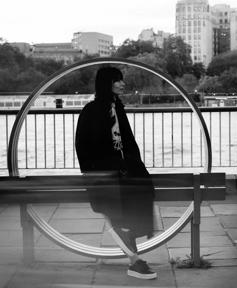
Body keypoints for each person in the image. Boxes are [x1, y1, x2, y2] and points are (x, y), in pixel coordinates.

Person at [75, 66, 156, 280]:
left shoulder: (116, 107)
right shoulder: (92, 111)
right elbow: (84, 146)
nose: (122, 84)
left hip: (121, 173)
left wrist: (133, 163)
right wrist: (95, 173)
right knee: (121, 213)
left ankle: (135, 259)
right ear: (106, 84)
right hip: (105, 175)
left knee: (129, 208)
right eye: (117, 80)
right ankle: (135, 261)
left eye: (121, 80)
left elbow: (128, 141)